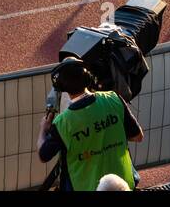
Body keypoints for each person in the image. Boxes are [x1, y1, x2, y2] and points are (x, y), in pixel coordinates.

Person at [36, 57, 143, 191]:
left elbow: (43, 155)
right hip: (122, 184)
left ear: (63, 88)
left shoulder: (63, 123)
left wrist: (43, 129)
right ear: (88, 78)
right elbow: (138, 136)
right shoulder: (113, 99)